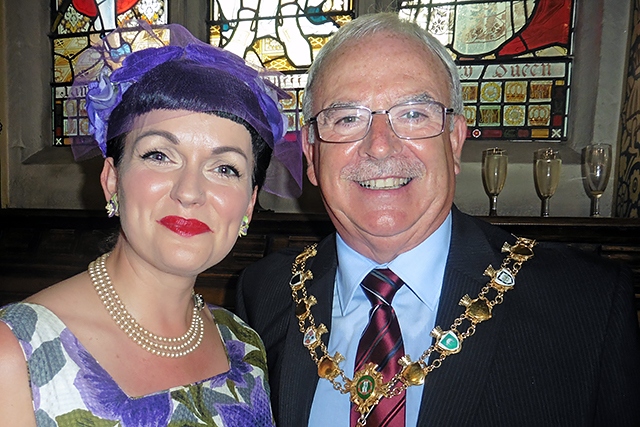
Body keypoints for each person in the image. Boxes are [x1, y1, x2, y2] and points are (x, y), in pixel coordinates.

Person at [236, 12, 640, 427]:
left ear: (455, 140)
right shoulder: (265, 294)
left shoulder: (586, 306)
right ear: (312, 154)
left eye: (413, 114)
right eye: (347, 118)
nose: (379, 146)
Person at [0, 21, 299, 426]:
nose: (189, 192)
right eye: (159, 155)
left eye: (225, 167)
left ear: (249, 204)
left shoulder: (243, 346)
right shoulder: (16, 354)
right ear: (111, 181)